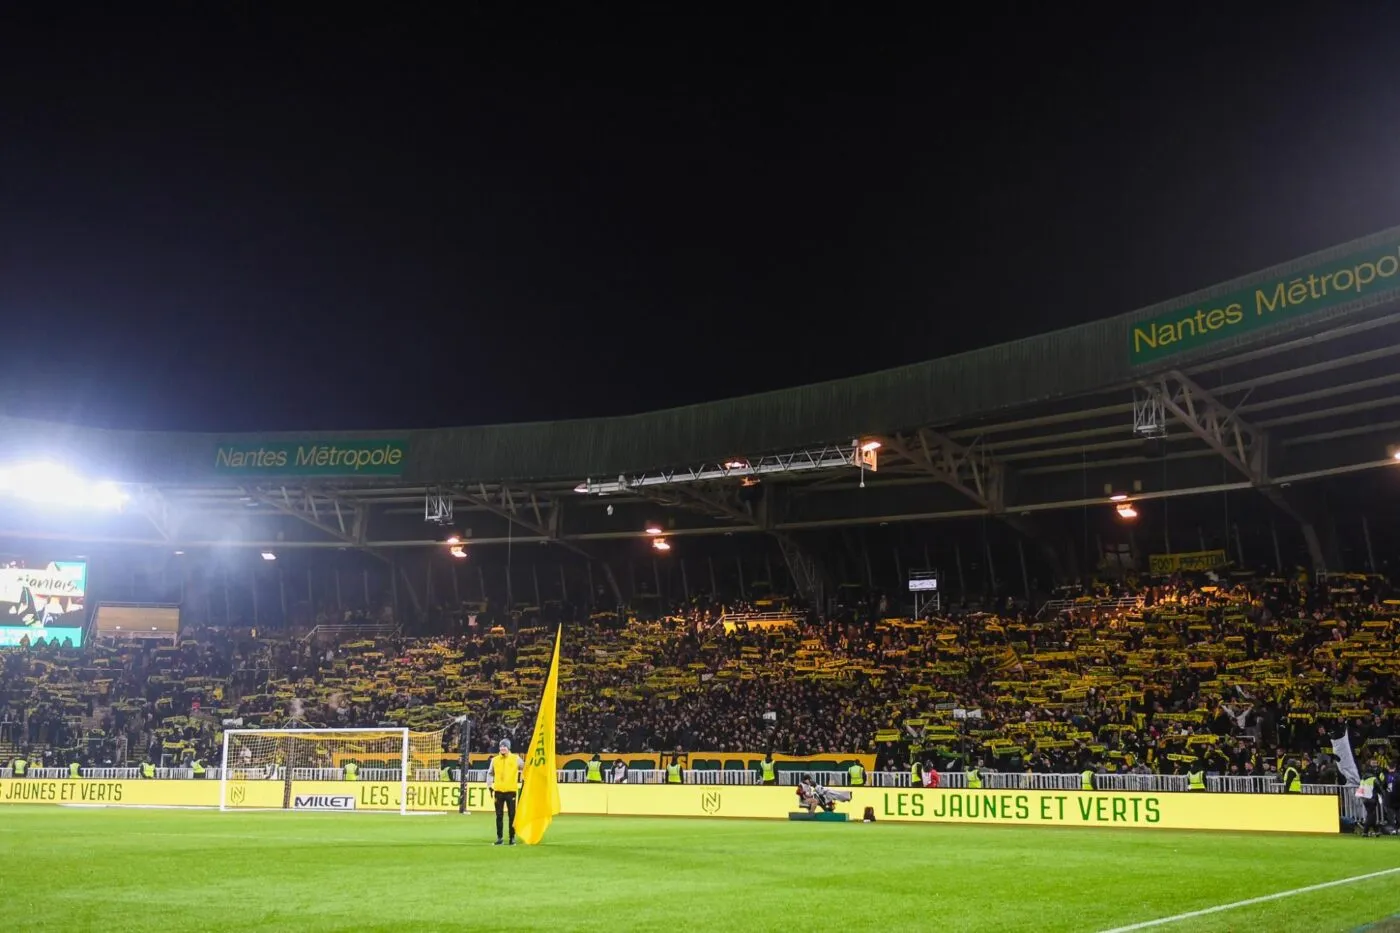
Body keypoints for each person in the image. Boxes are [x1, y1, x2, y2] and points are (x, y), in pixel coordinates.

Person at [490, 739, 523, 846]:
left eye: (505, 746)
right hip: (498, 791)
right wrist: (489, 785)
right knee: (498, 816)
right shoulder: (495, 760)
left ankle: (512, 838)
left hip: (511, 791)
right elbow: (490, 773)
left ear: (508, 748)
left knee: (512, 815)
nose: (502, 748)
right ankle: (499, 838)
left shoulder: (516, 758)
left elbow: (526, 768)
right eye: (501, 746)